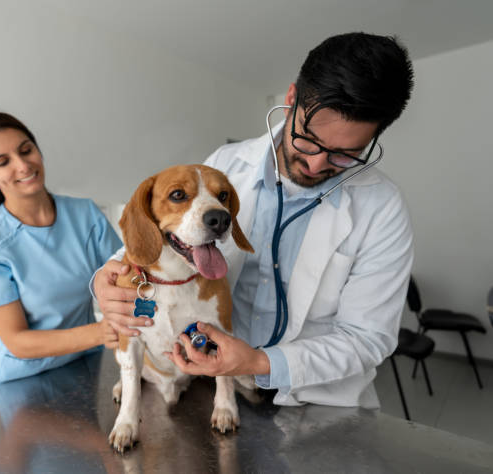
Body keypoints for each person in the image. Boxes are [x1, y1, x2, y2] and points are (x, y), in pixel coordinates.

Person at [93, 32, 415, 408]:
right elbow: (156, 236)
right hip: (208, 386)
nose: (316, 164)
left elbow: (369, 338)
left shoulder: (382, 207)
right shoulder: (226, 164)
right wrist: (105, 278)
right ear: (291, 99)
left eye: (345, 155)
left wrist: (261, 363)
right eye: (308, 139)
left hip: (314, 399)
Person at [0, 111, 122, 389]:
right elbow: (17, 341)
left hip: (85, 365)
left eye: (27, 150)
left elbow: (128, 280)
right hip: (19, 381)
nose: (23, 166)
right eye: (3, 162)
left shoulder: (85, 215)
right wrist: (103, 331)